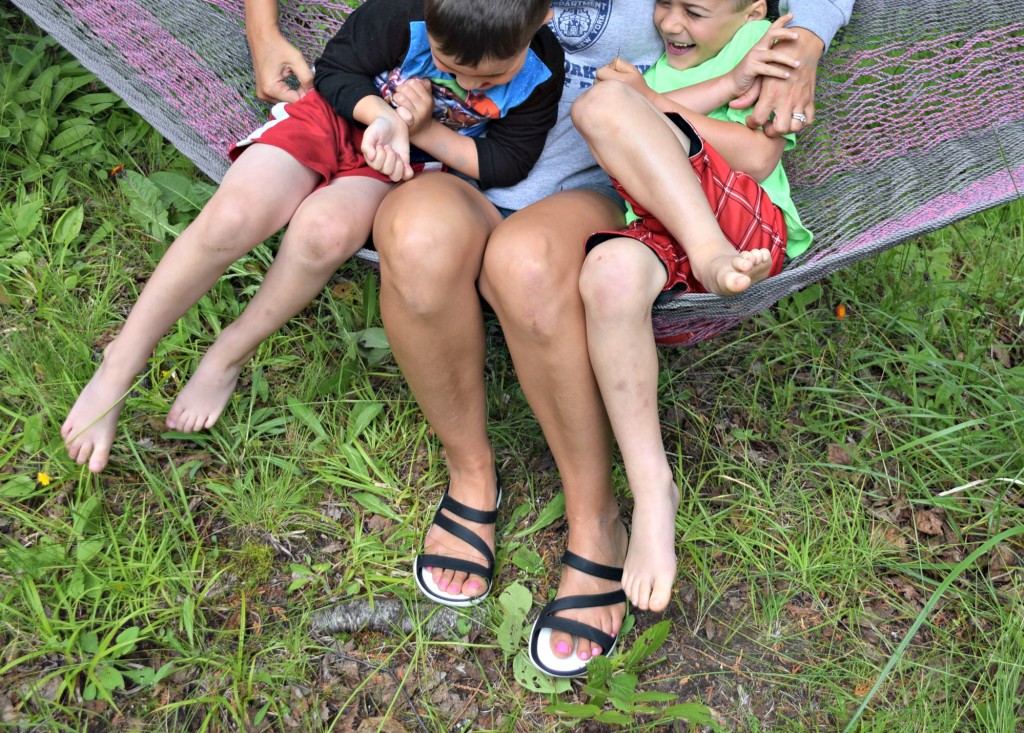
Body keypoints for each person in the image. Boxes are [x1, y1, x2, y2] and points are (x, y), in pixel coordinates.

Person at [240, 0, 852, 675]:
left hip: (608, 176)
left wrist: (809, 42)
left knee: (526, 266)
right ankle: (472, 477)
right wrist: (262, 29)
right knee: (414, 238)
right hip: (460, 150)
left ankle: (596, 519)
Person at [60, 0, 564, 474]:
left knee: (325, 235)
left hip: (400, 161)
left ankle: (229, 353)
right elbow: (337, 71)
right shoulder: (405, 12)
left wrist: (424, 130)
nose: (463, 80)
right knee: (234, 217)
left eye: (491, 77)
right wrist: (384, 116)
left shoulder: (542, 69)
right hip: (332, 117)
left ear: (543, 16)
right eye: (445, 62)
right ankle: (121, 362)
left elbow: (504, 163)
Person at [567, 0, 813, 670]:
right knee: (608, 276)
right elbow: (645, 107)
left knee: (603, 107)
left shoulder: (768, 43)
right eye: (665, 1)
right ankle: (654, 489)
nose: (672, 21)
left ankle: (707, 254)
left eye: (697, 10)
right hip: (659, 230)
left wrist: (651, 104)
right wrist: (656, 97)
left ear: (753, 9)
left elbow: (760, 154)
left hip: (745, 231)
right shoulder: (658, 65)